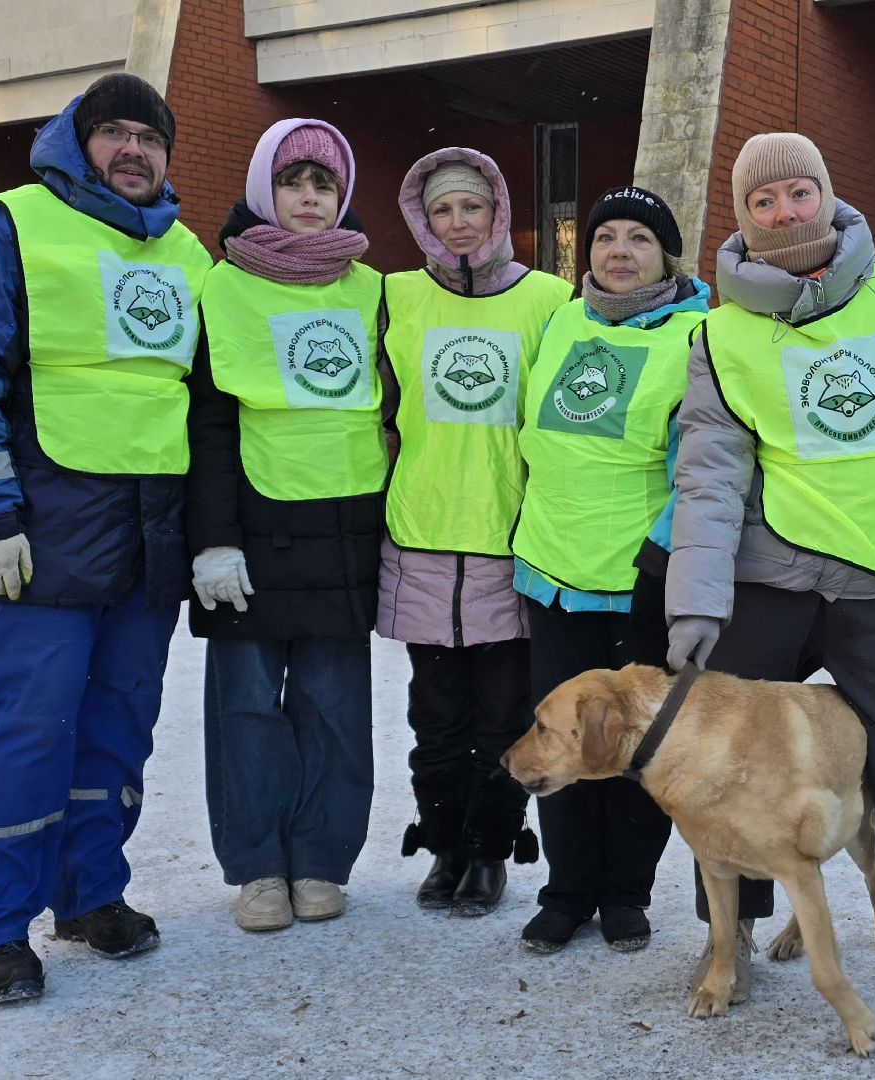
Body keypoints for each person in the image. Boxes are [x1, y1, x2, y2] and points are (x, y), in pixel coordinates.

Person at [666, 133, 875, 1011]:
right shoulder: (721, 333)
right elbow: (708, 475)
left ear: (826, 195)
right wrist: (696, 604)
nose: (784, 213)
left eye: (798, 193)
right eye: (763, 201)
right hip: (769, 578)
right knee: (731, 764)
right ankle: (731, 936)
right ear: (744, 216)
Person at [0, 74, 211, 1005]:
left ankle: (88, 894)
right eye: (113, 132)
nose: (133, 150)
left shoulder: (188, 253)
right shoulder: (1, 227)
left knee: (117, 730)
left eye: (149, 138)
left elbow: (202, 399)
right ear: (76, 144)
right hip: (39, 542)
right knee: (28, 733)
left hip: (147, 542)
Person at [186, 119, 382, 932]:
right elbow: (207, 425)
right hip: (253, 528)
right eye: (293, 182)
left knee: (335, 707)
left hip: (344, 527)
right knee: (247, 710)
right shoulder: (221, 286)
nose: (308, 197)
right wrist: (213, 539)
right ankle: (259, 866)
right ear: (264, 190)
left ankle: (322, 859)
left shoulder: (371, 289)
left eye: (323, 185)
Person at [511, 186, 709, 954]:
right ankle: (565, 893)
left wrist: (659, 566)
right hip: (552, 578)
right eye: (604, 237)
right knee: (561, 741)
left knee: (634, 750)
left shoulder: (698, 336)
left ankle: (626, 894)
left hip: (639, 588)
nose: (619, 252)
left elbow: (698, 470)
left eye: (638, 238)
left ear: (668, 257)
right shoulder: (563, 321)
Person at [379, 148, 572, 916]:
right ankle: (444, 847)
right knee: (435, 719)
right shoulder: (396, 297)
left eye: (472, 206)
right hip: (423, 539)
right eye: (442, 210)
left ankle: (491, 851)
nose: (458, 222)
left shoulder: (547, 299)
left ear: (498, 212)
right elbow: (380, 413)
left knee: (503, 719)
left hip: (510, 542)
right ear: (421, 219)